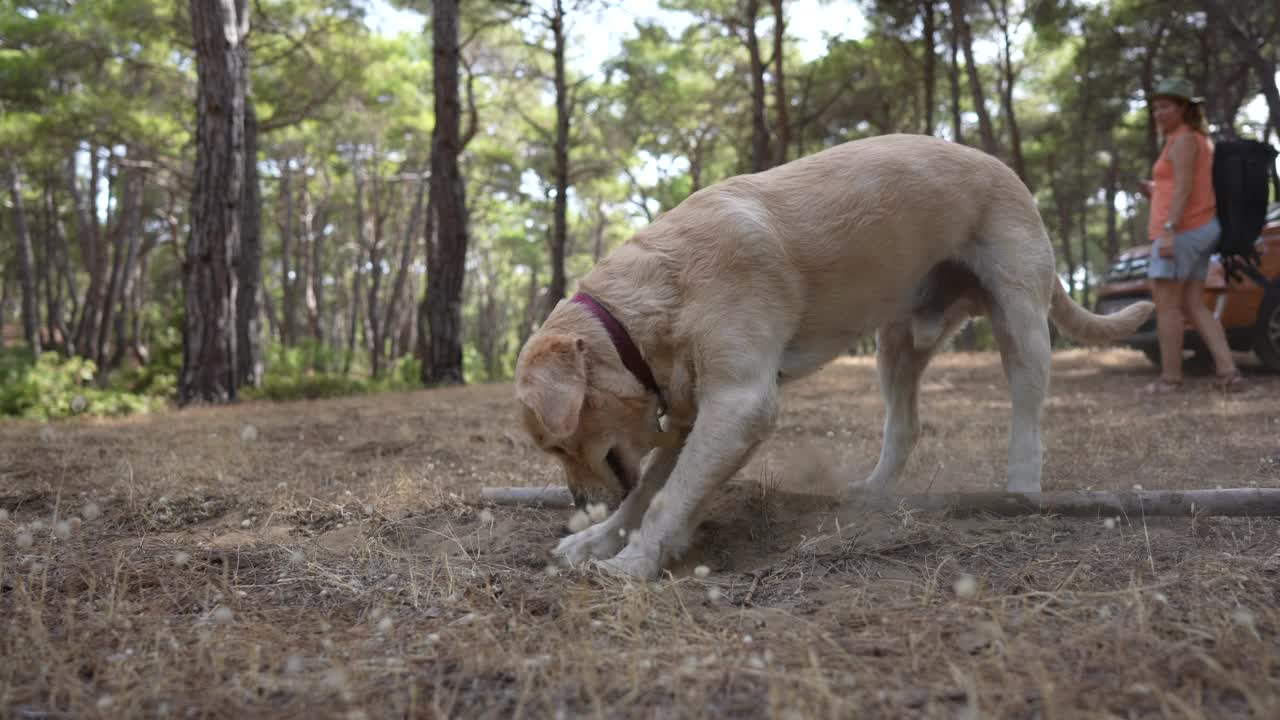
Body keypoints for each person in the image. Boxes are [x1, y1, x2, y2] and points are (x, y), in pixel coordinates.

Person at [1137, 77, 1244, 394]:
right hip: (1198, 227)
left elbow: (1184, 188)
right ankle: (1228, 371)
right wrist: (1155, 191)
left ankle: (1170, 378)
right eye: (1155, 107)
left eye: (1165, 106)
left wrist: (1169, 231)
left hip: (1182, 230)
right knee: (1194, 304)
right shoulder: (1193, 139)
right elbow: (1184, 186)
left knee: (1166, 305)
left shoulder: (1184, 140)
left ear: (1183, 107)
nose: (1158, 112)